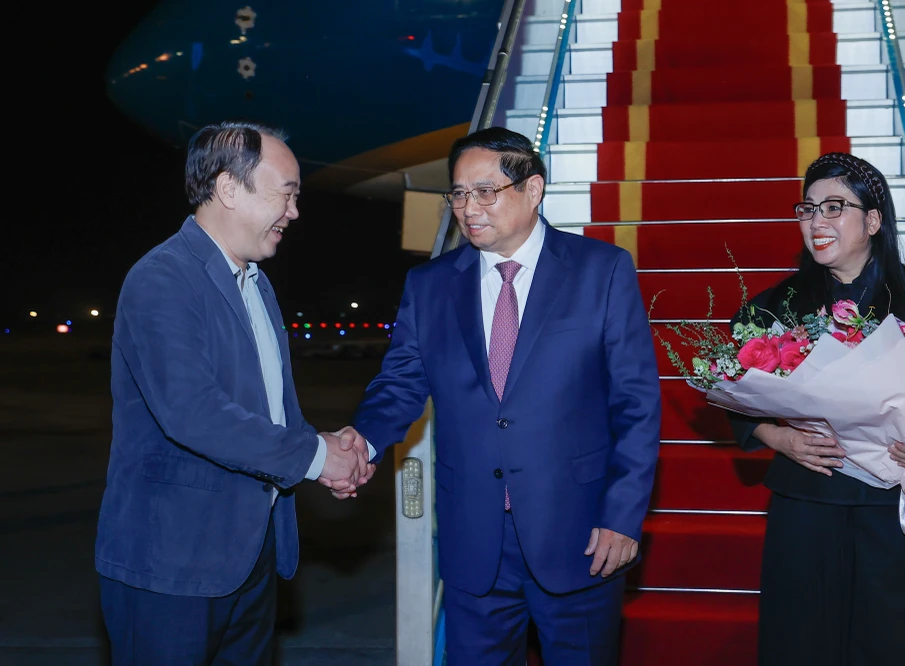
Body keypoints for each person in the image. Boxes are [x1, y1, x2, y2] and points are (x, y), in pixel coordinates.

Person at [336, 127, 662, 664]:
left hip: (579, 533)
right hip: (474, 538)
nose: (468, 207)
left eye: (485, 191)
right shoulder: (430, 284)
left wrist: (622, 516)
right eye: (459, 193)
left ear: (533, 190)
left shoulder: (600, 270)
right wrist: (360, 443)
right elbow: (399, 385)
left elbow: (636, 405)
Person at [95, 121, 372, 665]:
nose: (294, 212)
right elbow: (193, 413)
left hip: (251, 557)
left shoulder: (256, 285)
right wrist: (317, 459)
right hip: (173, 566)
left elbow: (264, 411)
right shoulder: (163, 278)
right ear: (228, 188)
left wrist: (320, 445)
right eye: (286, 194)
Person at [727, 152, 905, 666]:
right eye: (807, 209)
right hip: (811, 497)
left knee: (898, 637)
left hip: (904, 500)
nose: (817, 222)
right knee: (804, 636)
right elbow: (737, 398)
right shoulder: (774, 308)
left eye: (835, 207)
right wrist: (778, 438)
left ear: (873, 221)